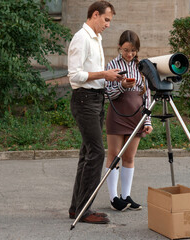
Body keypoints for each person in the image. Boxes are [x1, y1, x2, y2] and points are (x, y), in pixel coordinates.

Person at [67, 1, 124, 224]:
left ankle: (76, 208)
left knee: (87, 153)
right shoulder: (81, 38)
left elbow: (93, 74)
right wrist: (103, 74)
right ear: (95, 15)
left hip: (95, 99)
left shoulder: (95, 38)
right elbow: (75, 75)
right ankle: (84, 210)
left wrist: (111, 77)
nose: (108, 25)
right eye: (107, 20)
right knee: (97, 153)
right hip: (84, 100)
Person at [105, 30, 153, 211]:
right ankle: (113, 197)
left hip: (137, 115)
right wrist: (122, 86)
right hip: (117, 113)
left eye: (133, 50)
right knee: (114, 154)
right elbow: (108, 93)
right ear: (119, 47)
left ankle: (126, 196)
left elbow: (147, 94)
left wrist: (147, 121)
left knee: (129, 156)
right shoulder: (112, 65)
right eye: (126, 50)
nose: (129, 54)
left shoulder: (142, 66)